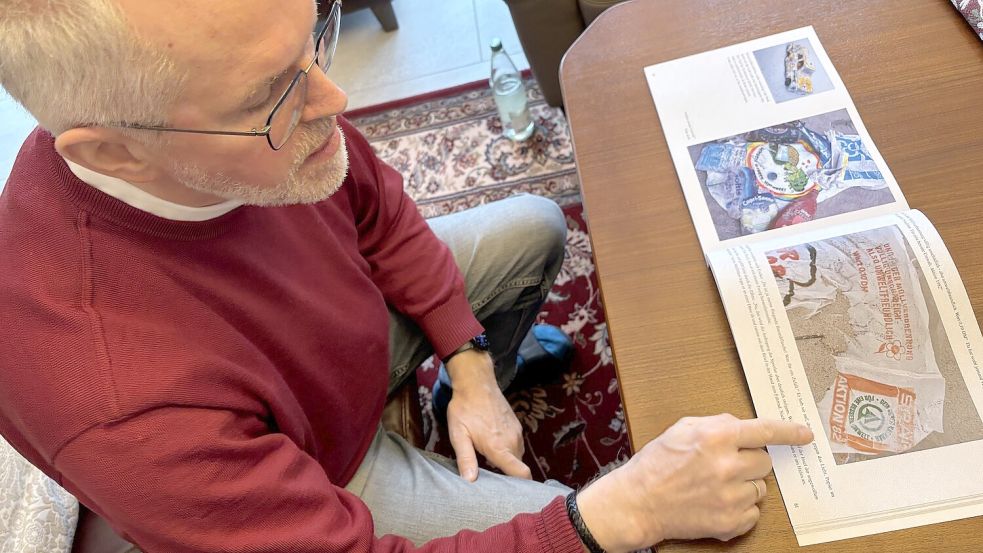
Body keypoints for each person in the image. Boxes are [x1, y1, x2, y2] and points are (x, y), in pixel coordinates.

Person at [0, 1, 814, 552]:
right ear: (111, 151)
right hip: (321, 469)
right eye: (273, 96)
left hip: (331, 360)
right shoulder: (115, 403)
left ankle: (456, 397)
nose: (335, 95)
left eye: (313, 32)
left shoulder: (259, 113)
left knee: (533, 222)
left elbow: (378, 208)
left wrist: (467, 364)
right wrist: (621, 509)